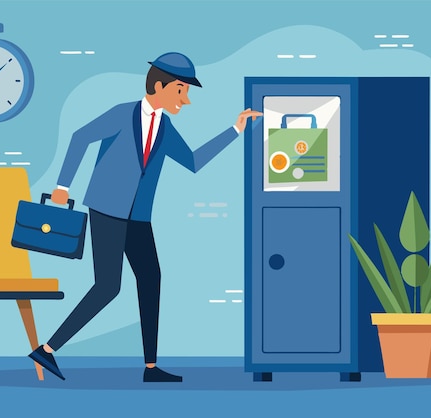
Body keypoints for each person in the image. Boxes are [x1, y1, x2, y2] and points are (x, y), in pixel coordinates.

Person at [29, 52, 261, 382]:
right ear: (161, 86)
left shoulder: (166, 128)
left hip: (138, 216)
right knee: (108, 286)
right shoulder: (122, 114)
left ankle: (150, 368)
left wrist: (235, 131)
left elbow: (194, 162)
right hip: (107, 210)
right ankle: (48, 349)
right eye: (182, 90)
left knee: (151, 280)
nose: (187, 99)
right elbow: (81, 137)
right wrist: (62, 185)